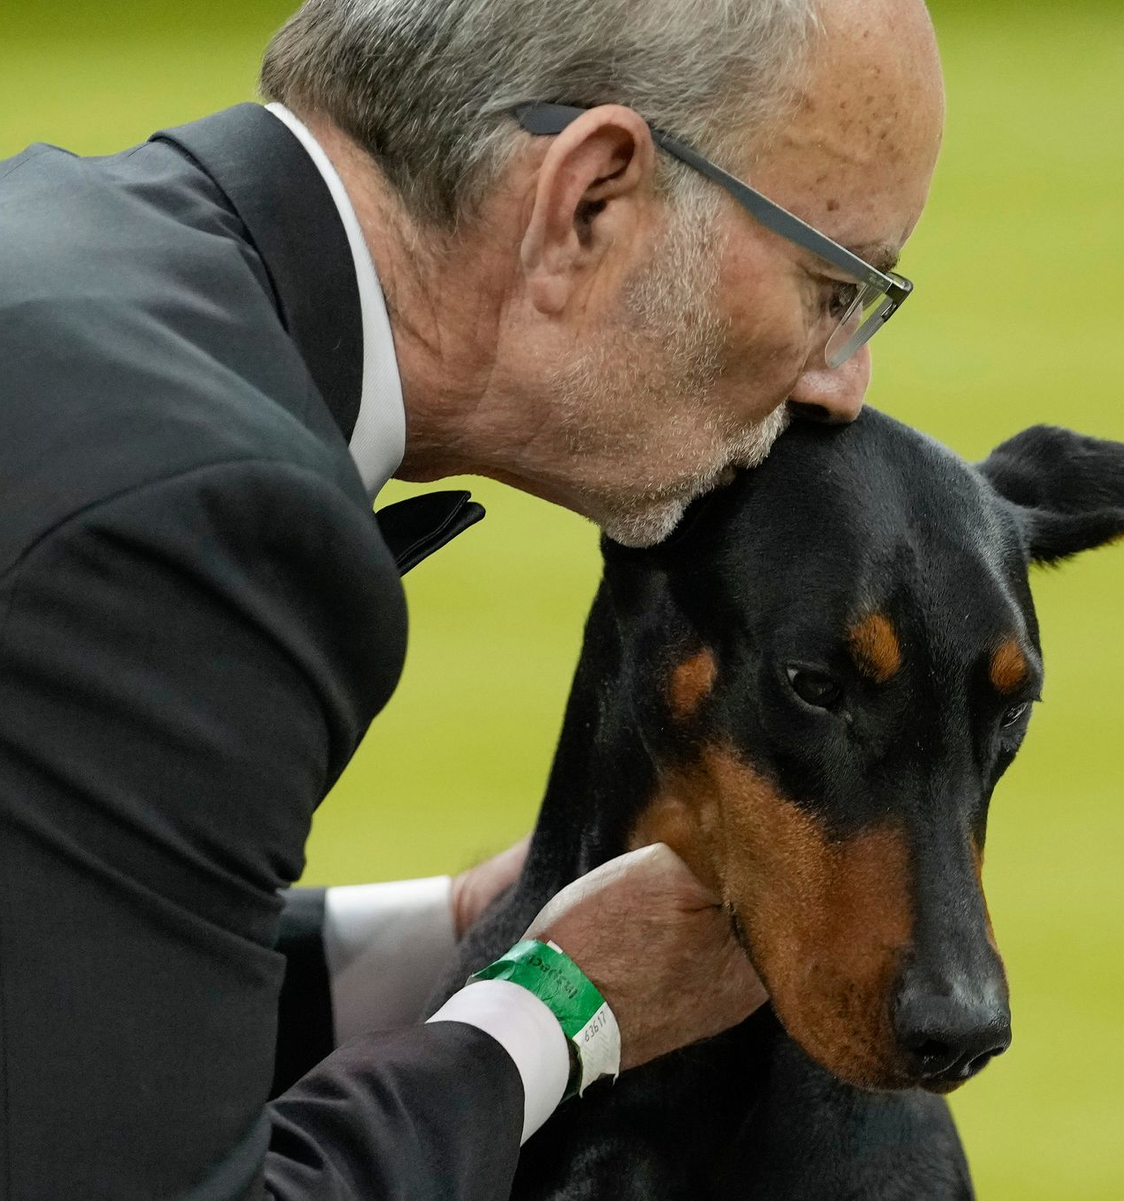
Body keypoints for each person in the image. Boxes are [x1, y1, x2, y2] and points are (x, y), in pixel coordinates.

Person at [0, 0, 945, 1196]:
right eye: (832, 285)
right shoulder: (196, 508)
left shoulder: (71, 243)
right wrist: (559, 1006)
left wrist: (462, 928)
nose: (841, 384)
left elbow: (54, 982)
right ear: (589, 200)